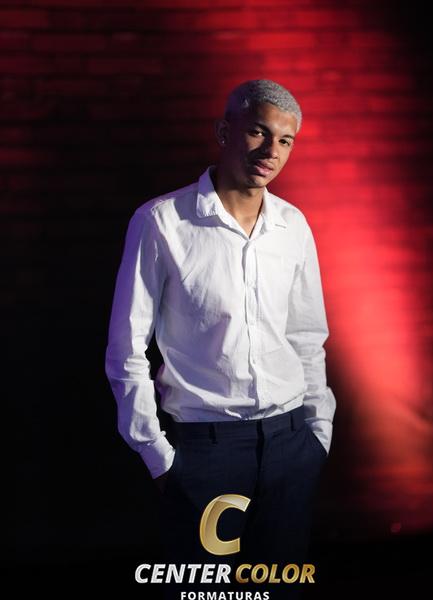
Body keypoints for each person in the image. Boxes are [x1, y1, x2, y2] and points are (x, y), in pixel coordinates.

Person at [105, 79, 336, 599]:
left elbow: (306, 336)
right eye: (258, 132)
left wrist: (317, 433)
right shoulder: (161, 222)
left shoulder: (293, 225)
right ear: (224, 131)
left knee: (279, 592)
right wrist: (157, 456)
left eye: (285, 141)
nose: (271, 151)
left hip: (290, 444)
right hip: (207, 451)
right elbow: (126, 350)